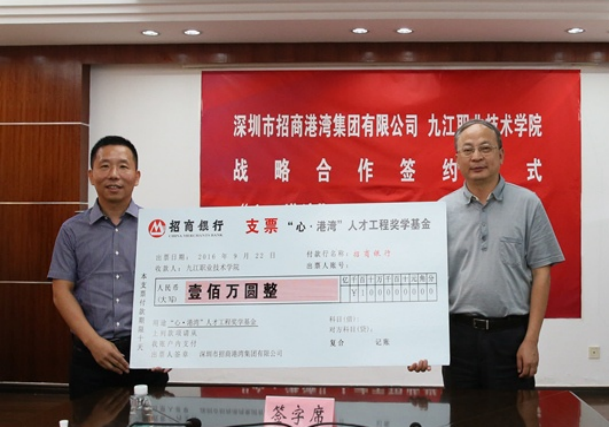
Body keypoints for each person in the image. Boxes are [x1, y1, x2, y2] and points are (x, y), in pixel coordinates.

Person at [408, 119, 565, 389]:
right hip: (458, 339)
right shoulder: (441, 211)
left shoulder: (528, 204)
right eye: (467, 150)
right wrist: (424, 342)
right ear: (456, 159)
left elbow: (541, 274)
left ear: (501, 154)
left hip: (511, 338)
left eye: (485, 148)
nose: (477, 157)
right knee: (460, 410)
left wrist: (531, 341)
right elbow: (429, 282)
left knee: (514, 411)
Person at [48, 135, 169, 399]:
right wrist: (94, 343)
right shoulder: (71, 231)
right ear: (91, 176)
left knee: (148, 419)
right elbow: (61, 292)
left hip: (146, 357)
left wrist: (170, 345)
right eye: (104, 166)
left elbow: (175, 288)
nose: (114, 174)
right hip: (90, 357)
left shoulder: (158, 228)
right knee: (88, 417)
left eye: (123, 166)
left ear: (136, 176)